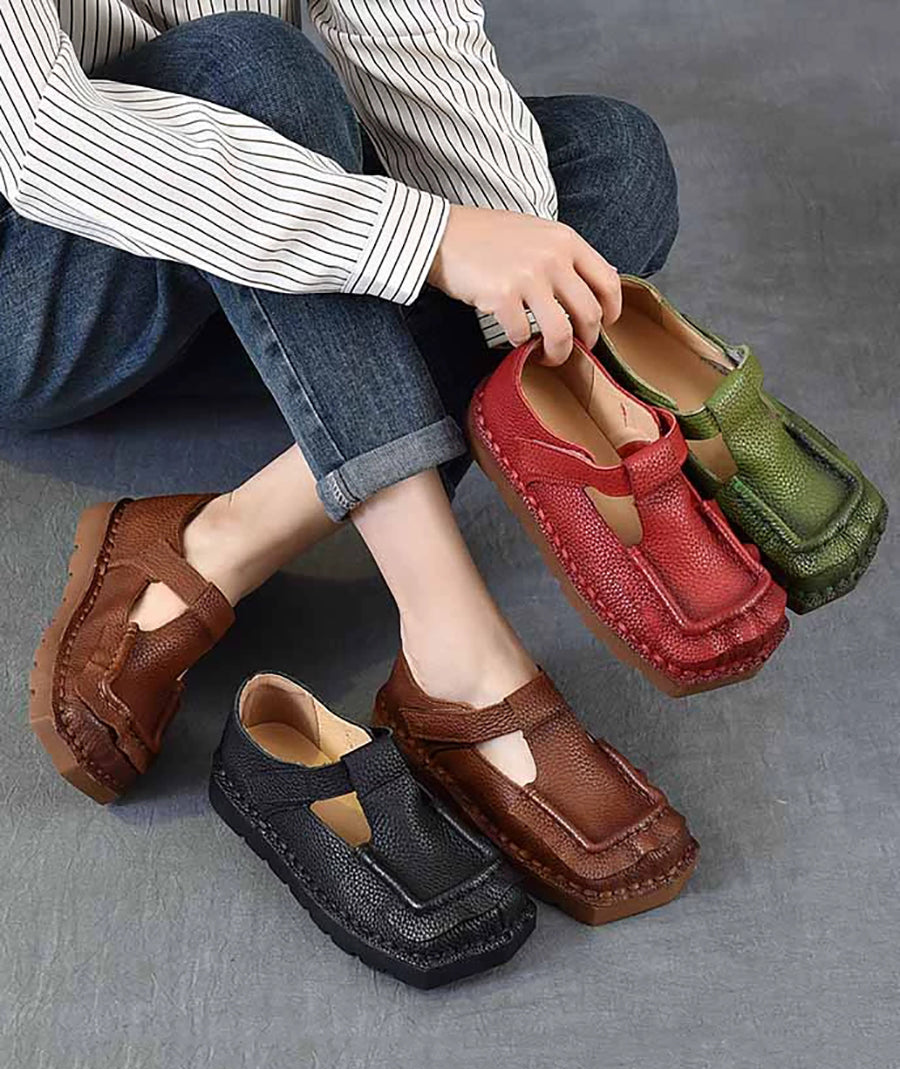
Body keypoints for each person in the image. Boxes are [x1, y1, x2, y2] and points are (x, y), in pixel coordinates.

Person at [3, 3, 694, 919]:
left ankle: (232, 534)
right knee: (252, 66)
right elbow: (45, 137)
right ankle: (454, 644)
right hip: (40, 272)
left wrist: (512, 291)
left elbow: (406, 38)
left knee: (615, 168)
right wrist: (430, 242)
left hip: (232, 226)